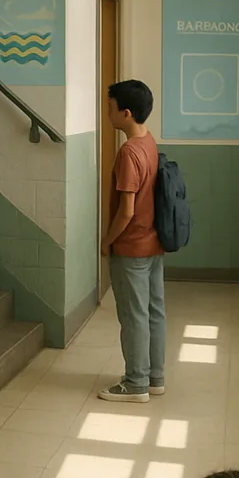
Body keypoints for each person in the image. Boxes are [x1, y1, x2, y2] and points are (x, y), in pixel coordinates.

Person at [98, 79, 167, 403]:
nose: (106, 112)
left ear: (125, 113)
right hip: (153, 244)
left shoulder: (128, 152)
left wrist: (106, 241)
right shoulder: (148, 142)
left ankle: (135, 383)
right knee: (154, 311)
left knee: (133, 316)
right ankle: (155, 377)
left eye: (110, 108)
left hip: (132, 247)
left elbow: (126, 211)